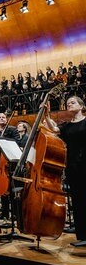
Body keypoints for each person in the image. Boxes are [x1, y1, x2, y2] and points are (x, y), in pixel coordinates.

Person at [44, 96, 86, 247]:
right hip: (73, 168)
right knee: (78, 202)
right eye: (68, 103)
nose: (69, 105)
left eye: (73, 102)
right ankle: (82, 235)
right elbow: (53, 129)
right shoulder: (67, 126)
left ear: (82, 106)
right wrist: (47, 115)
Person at [0, 112, 21, 220]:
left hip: (11, 162)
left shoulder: (12, 130)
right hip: (0, 164)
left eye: (4, 117)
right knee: (2, 189)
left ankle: (14, 213)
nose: (2, 119)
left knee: (12, 189)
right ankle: (4, 213)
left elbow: (16, 143)